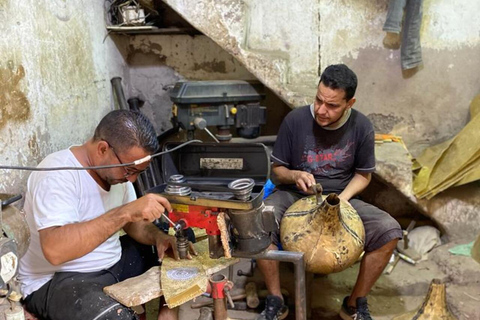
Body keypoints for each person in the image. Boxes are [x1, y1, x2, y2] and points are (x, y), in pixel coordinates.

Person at [256, 64, 402, 320]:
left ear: (349, 103)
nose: (322, 110)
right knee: (259, 221)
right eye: (318, 100)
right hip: (295, 194)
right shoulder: (296, 120)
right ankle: (276, 299)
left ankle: (354, 304)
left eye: (332, 105)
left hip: (340, 197)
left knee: (389, 231)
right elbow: (277, 171)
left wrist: (340, 201)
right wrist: (295, 175)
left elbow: (363, 175)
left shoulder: (361, 126)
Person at [18, 110, 182, 320]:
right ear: (103, 149)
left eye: (138, 173)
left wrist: (159, 238)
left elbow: (134, 225)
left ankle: (167, 312)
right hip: (59, 280)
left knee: (179, 244)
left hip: (111, 263)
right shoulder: (56, 175)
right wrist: (124, 213)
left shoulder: (117, 175)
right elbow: (55, 251)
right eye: (129, 170)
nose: (132, 180)